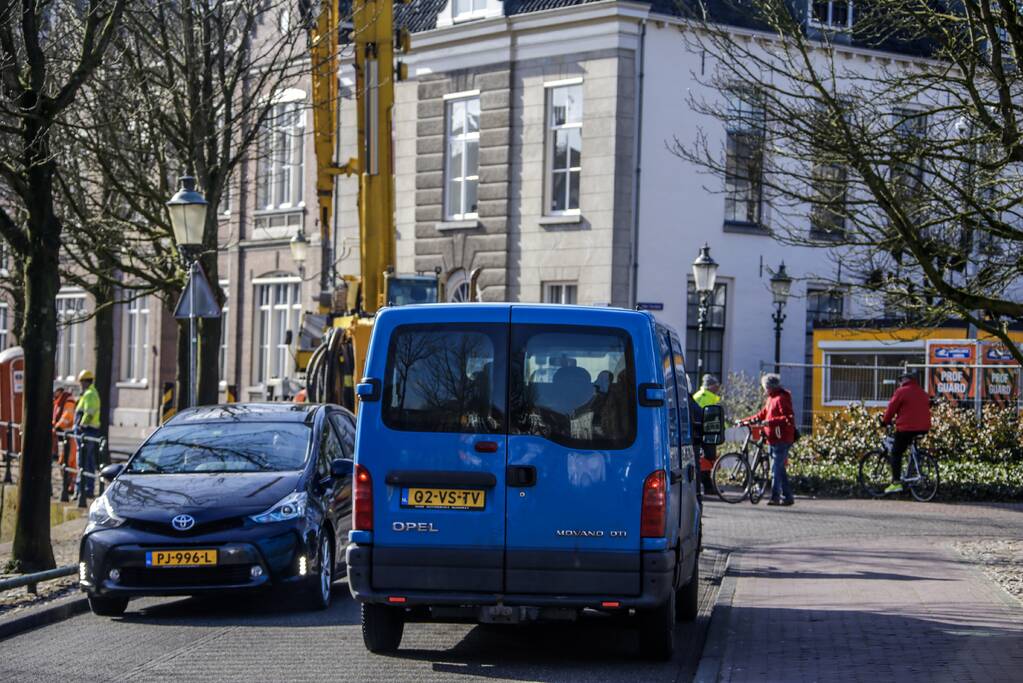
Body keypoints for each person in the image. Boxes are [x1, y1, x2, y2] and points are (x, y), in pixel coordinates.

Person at [740, 373, 796, 506]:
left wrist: (769, 422)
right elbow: (762, 414)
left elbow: (788, 418)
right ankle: (787, 496)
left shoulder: (781, 398)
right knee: (779, 469)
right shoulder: (771, 398)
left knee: (775, 469)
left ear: (770, 387)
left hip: (781, 438)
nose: (764, 390)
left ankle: (775, 497)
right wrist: (745, 421)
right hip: (773, 438)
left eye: (765, 387)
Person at [880, 370, 931, 495]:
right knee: (909, 447)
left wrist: (885, 422)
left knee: (896, 452)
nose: (900, 382)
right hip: (923, 428)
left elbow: (891, 408)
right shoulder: (922, 392)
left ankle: (896, 483)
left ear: (906, 379)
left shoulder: (901, 392)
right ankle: (913, 470)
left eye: (901, 379)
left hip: (907, 428)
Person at [74, 369, 101, 498]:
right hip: (88, 430)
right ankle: (85, 488)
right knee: (87, 460)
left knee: (83, 461)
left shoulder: (90, 394)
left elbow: (89, 412)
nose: (80, 384)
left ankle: (83, 489)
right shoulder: (89, 393)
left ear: (85, 382)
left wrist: (81, 425)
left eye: (81, 382)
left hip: (86, 431)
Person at [693, 374, 722, 491]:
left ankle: (707, 485)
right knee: (708, 459)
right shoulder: (707, 397)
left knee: (704, 459)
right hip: (707, 433)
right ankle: (707, 486)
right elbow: (712, 418)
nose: (718, 388)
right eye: (716, 385)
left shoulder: (699, 395)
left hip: (698, 432)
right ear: (710, 386)